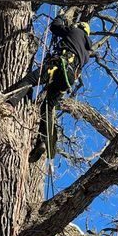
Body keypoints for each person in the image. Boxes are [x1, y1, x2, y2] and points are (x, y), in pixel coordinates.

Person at [31, 15, 93, 161]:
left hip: (60, 66)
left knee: (32, 80)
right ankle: (41, 142)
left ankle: (11, 99)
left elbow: (55, 27)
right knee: (46, 107)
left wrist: (61, 18)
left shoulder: (75, 32)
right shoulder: (86, 54)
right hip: (68, 79)